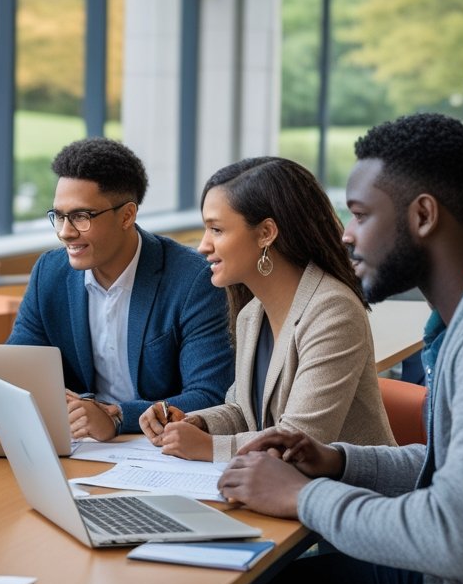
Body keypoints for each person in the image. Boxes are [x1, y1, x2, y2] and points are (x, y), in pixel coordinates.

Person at [180, 114, 463, 584]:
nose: (346, 232)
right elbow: (453, 473)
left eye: (362, 213)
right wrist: (339, 460)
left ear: (422, 215)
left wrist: (306, 496)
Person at [138, 157, 395, 461]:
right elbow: (243, 411)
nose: (203, 246)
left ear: (265, 233)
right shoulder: (252, 314)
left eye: (216, 229)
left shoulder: (333, 312)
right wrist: (198, 423)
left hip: (348, 498)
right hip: (278, 489)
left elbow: (302, 440)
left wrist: (208, 447)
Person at [6, 138, 233, 441]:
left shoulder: (193, 280)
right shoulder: (50, 273)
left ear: (127, 215)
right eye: (59, 216)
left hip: (158, 447)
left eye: (81, 217)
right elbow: (17, 371)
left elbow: (210, 394)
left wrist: (116, 416)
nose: (65, 232)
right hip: (79, 445)